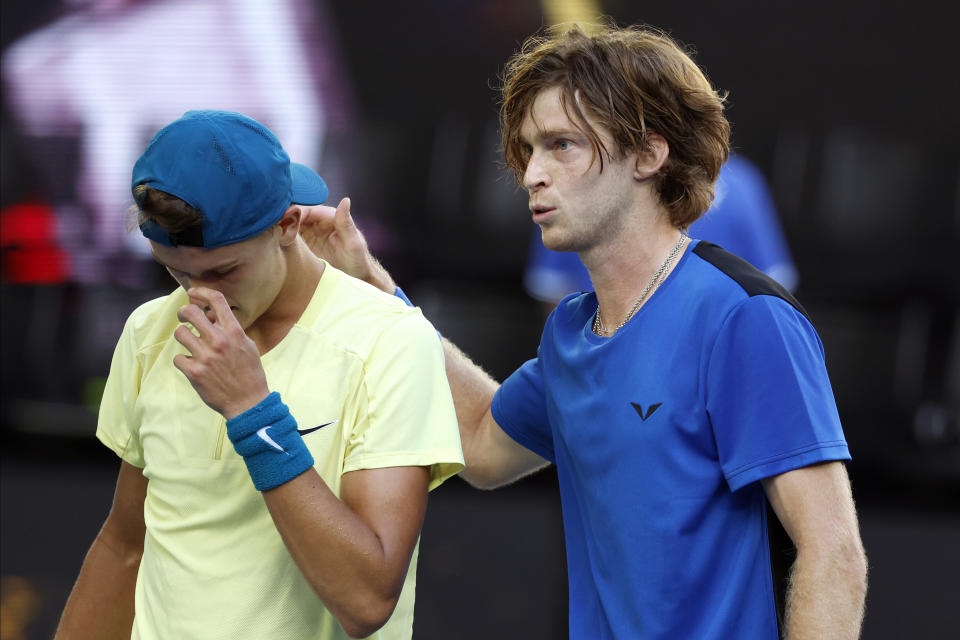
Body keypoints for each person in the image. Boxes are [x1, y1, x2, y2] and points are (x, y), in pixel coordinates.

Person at [301, 23, 868, 640]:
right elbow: (483, 446)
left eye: (561, 145)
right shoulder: (571, 331)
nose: (531, 175)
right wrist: (373, 284)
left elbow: (832, 555)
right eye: (528, 150)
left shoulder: (744, 317)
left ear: (650, 156)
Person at [55, 110, 463, 639]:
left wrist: (252, 411)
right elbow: (126, 545)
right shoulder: (148, 332)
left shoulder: (392, 341)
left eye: (224, 272)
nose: (200, 299)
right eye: (177, 272)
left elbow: (366, 600)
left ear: (288, 224)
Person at [524, 153, 799, 308]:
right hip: (608, 359)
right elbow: (552, 289)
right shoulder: (578, 184)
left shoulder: (740, 182)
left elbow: (773, 288)